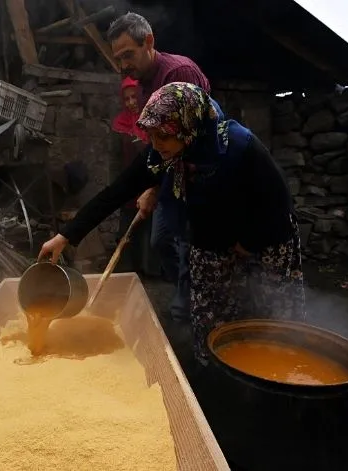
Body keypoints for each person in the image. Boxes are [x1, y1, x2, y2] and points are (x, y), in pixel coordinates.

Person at [39, 83, 306, 365]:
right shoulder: (161, 154)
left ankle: (277, 373)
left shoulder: (240, 147)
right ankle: (214, 374)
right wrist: (66, 236)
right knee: (211, 317)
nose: (155, 144)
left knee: (272, 319)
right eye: (151, 135)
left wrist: (249, 243)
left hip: (265, 235)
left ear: (188, 126)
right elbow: (116, 192)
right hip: (211, 237)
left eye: (163, 135)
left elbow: (277, 203)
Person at [107, 12, 211, 323]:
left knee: (188, 241)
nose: (123, 65)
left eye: (128, 54)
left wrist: (152, 187)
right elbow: (157, 143)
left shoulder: (178, 73)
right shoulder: (144, 83)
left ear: (149, 42)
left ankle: (191, 306)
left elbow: (187, 142)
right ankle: (187, 289)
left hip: (196, 175)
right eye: (118, 58)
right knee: (161, 239)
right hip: (169, 173)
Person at [111, 77, 160, 277]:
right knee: (127, 229)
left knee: (151, 229)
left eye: (134, 97)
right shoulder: (119, 123)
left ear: (142, 96)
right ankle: (128, 271)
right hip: (129, 184)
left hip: (150, 183)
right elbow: (115, 157)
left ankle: (152, 271)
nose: (131, 102)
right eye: (127, 99)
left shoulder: (152, 121)